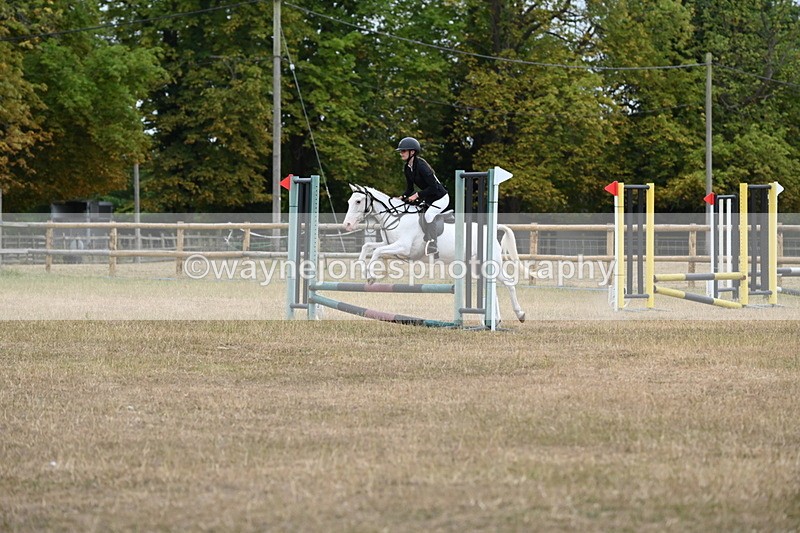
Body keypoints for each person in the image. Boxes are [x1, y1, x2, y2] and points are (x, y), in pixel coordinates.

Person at [395, 137, 450, 256]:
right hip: (429, 198)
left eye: (403, 151)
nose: (401, 153)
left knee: (429, 215)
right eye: (401, 151)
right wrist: (403, 197)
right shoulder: (407, 168)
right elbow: (410, 188)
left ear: (412, 152)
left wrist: (417, 195)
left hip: (441, 197)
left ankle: (433, 245)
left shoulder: (422, 166)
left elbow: (434, 187)